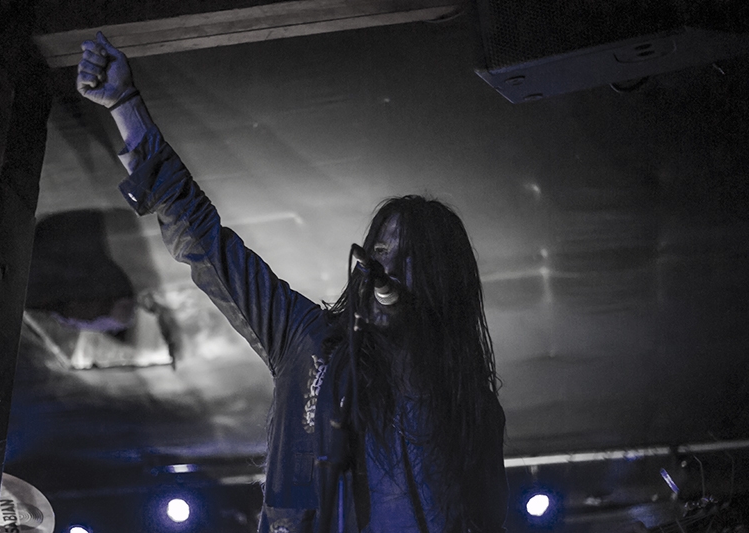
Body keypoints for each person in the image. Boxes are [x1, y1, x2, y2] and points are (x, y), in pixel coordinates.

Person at [76, 32, 508, 533]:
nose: (385, 266)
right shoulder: (310, 340)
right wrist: (125, 105)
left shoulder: (470, 402)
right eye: (381, 251)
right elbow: (207, 245)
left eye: (410, 257)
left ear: (442, 280)